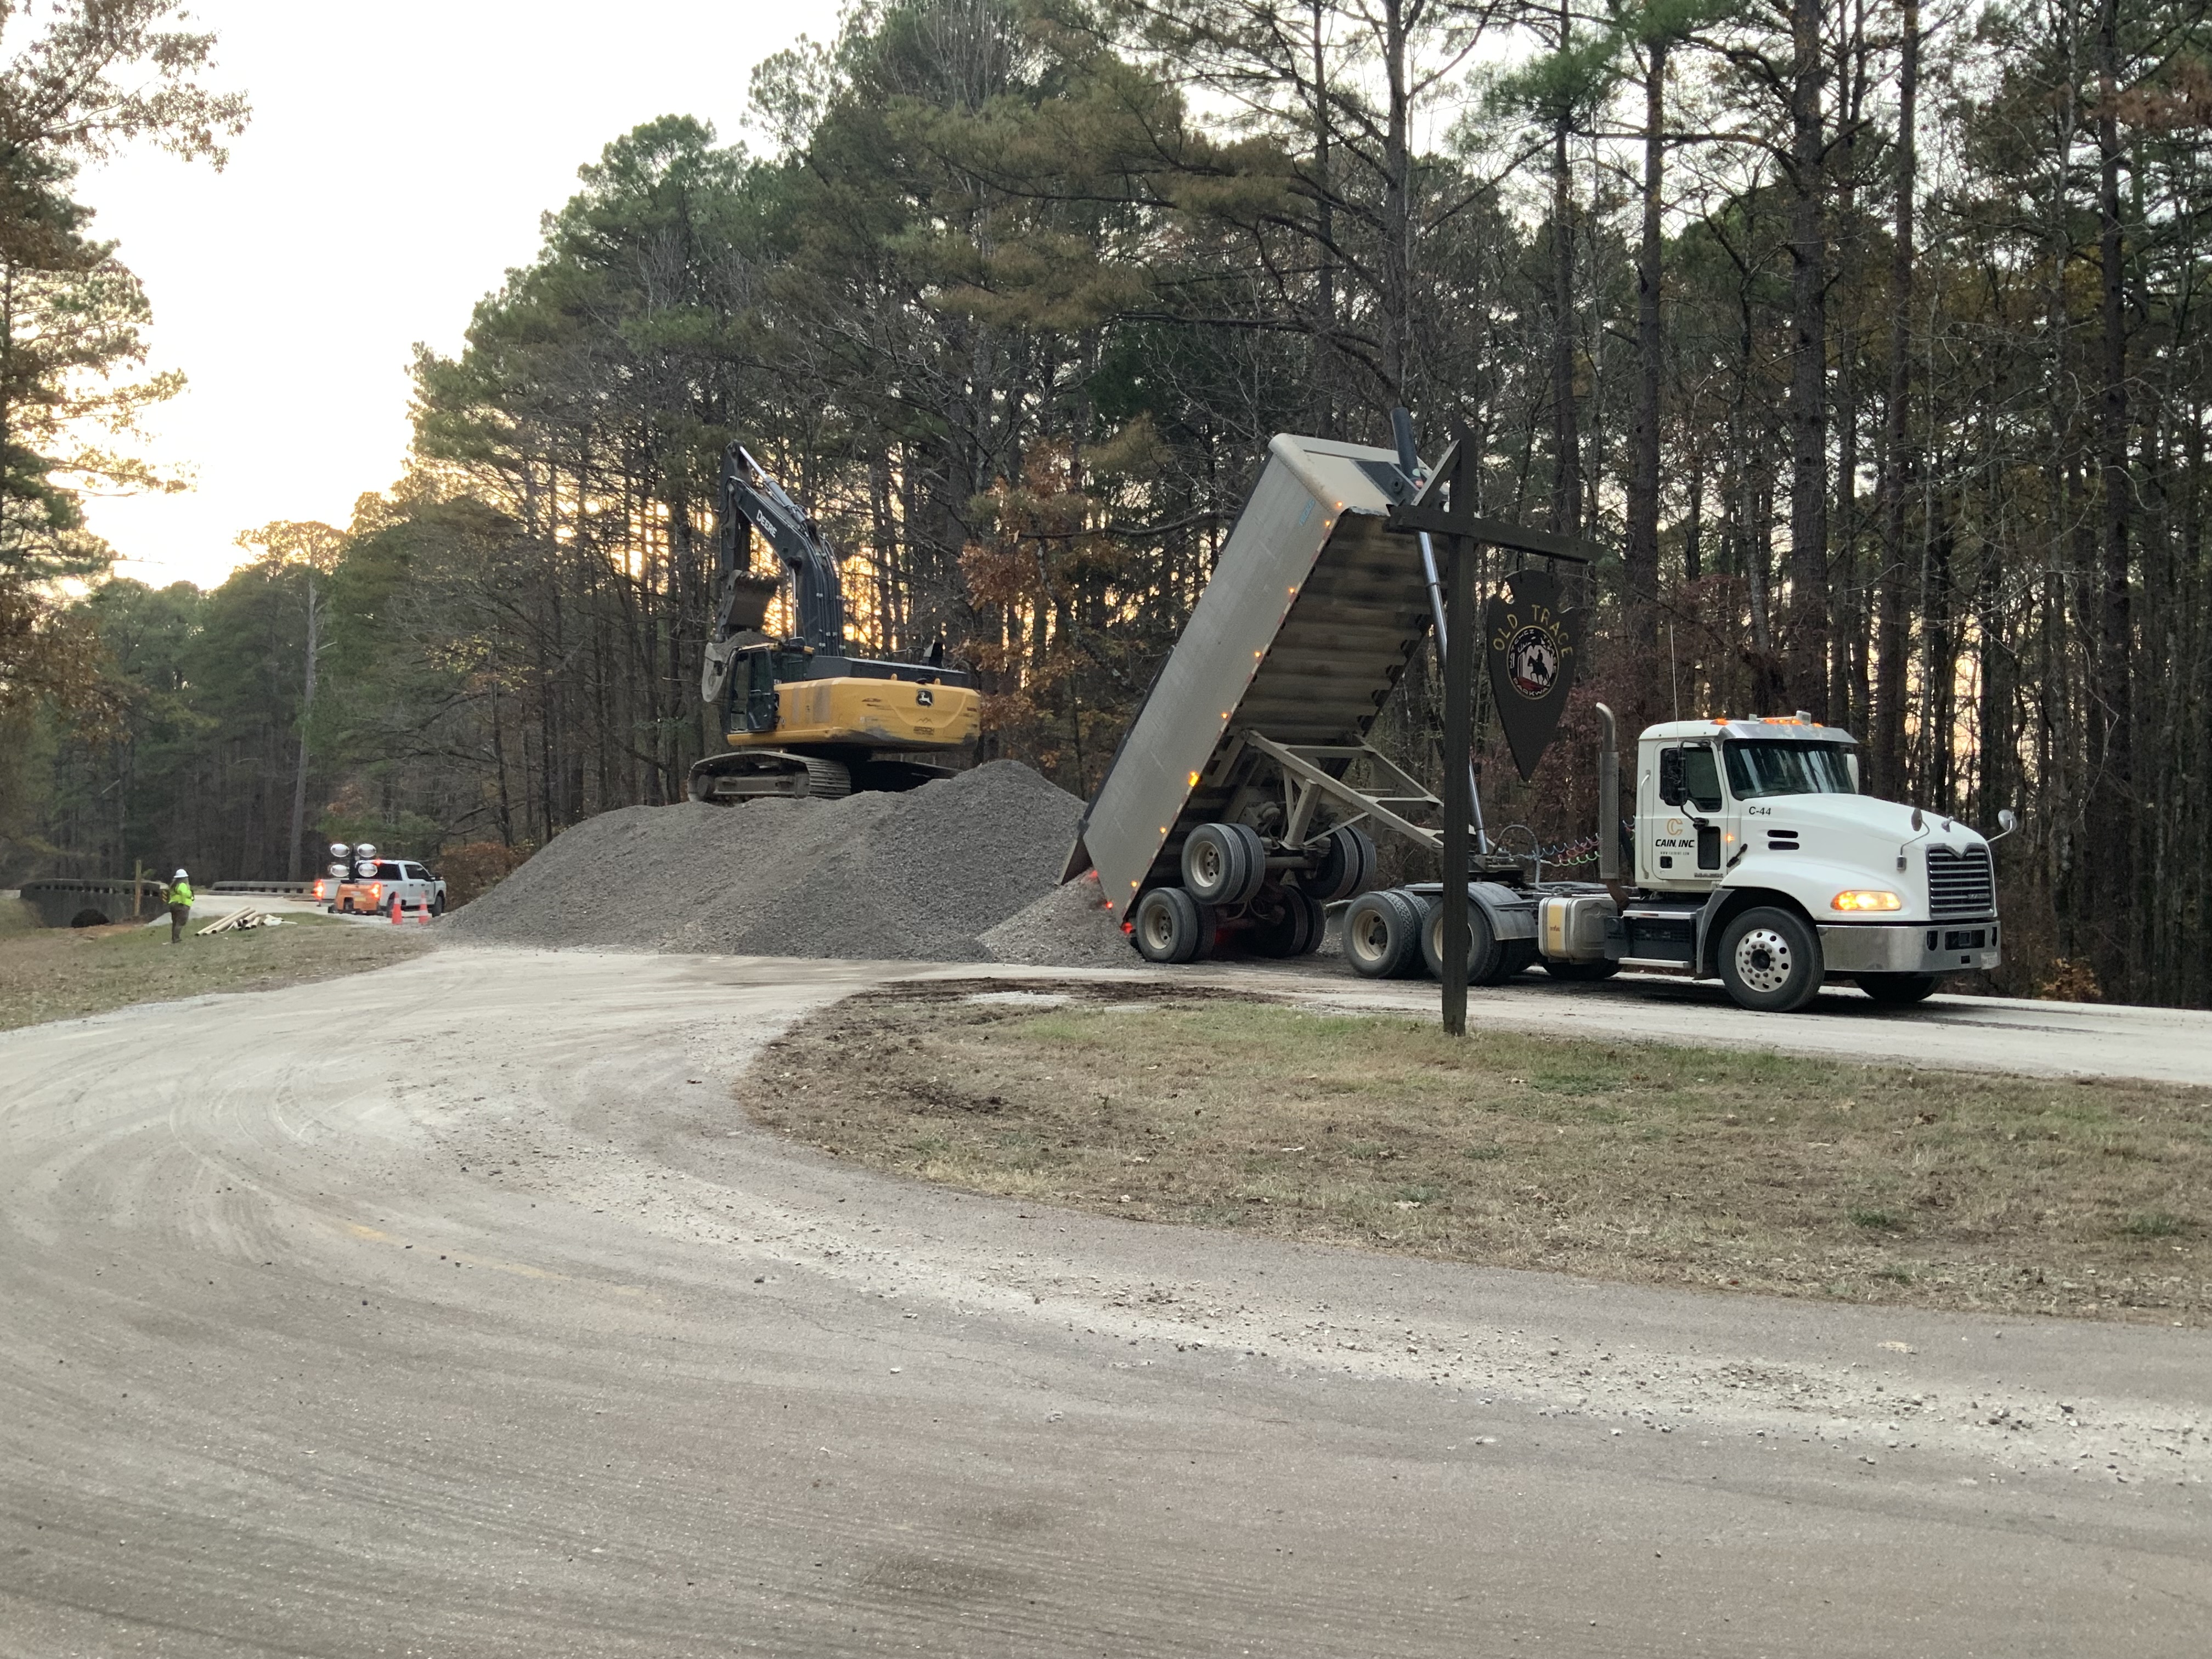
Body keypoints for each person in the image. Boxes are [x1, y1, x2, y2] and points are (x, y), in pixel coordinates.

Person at [163, 868, 193, 944]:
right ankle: (177, 939)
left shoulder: (174, 886)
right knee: (181, 922)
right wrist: (184, 903)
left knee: (175, 922)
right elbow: (183, 894)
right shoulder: (183, 885)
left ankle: (174, 938)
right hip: (181, 905)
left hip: (173, 905)